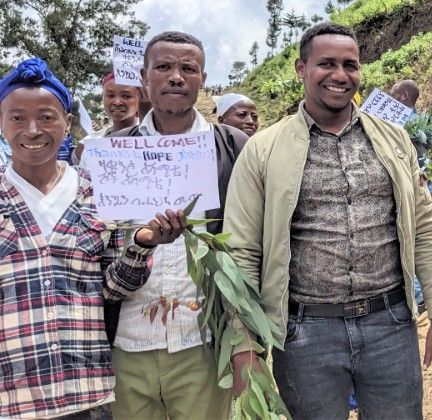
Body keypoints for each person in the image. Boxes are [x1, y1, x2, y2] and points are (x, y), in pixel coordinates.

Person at [224, 22, 432, 419]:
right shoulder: (264, 149)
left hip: (391, 325)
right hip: (304, 334)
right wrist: (244, 343)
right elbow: (243, 250)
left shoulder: (394, 140)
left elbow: (422, 228)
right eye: (326, 63)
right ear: (301, 68)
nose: (340, 75)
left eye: (350, 64)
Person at [0, 57, 186, 419]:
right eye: (17, 117)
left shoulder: (96, 195)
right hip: (12, 399)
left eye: (47, 116)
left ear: (67, 124)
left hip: (87, 396)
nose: (33, 129)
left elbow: (112, 290)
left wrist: (142, 243)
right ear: (1, 124)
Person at [102, 31, 248, 420]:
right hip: (126, 344)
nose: (176, 77)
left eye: (189, 69)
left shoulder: (232, 146)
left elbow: (250, 245)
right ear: (145, 79)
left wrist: (245, 341)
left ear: (202, 80)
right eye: (164, 67)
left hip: (202, 341)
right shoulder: (114, 151)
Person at [74, 73, 142, 163]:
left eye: (126, 96)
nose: (117, 102)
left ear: (141, 98)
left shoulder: (152, 137)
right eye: (110, 96)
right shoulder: (91, 143)